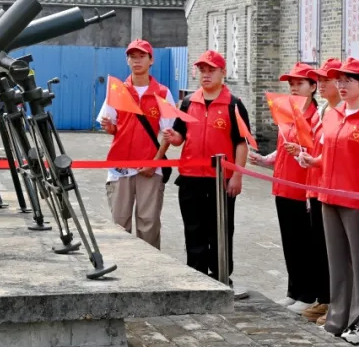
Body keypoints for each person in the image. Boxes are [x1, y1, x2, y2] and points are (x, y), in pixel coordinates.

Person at [303, 58, 359, 346]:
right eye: (338, 80)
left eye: (347, 80)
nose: (340, 85)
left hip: (357, 198)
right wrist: (313, 161)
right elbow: (329, 154)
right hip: (329, 196)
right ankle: (337, 319)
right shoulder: (332, 114)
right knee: (337, 261)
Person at [163, 50, 251, 298]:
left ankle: (221, 276)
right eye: (202, 70)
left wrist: (237, 176)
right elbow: (180, 137)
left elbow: (241, 143)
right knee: (193, 229)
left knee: (220, 229)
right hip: (190, 177)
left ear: (223, 72)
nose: (206, 74)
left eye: (211, 70)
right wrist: (173, 137)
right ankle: (196, 275)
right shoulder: (188, 102)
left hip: (220, 180)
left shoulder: (234, 104)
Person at [249, 62, 321, 313]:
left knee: (304, 243)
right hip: (283, 185)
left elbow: (317, 153)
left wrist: (301, 151)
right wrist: (264, 160)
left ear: (313, 86)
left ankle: (308, 294)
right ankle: (294, 291)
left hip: (304, 188)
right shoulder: (287, 113)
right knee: (290, 241)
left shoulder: (316, 117)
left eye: (300, 83)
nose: (294, 87)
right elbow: (283, 148)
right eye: (291, 84)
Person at [97, 40, 174, 249]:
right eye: (132, 57)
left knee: (148, 224)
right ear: (127, 61)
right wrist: (109, 127)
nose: (137, 61)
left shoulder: (163, 93)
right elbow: (113, 127)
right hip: (120, 166)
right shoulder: (117, 90)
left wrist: (154, 162)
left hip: (149, 168)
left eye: (142, 56)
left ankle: (149, 266)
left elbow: (168, 134)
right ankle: (122, 264)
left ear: (151, 60)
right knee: (119, 224)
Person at [298, 57, 344, 325]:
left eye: (328, 80)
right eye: (320, 80)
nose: (322, 84)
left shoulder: (342, 113)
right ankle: (325, 298)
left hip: (334, 188)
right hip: (317, 185)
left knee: (333, 251)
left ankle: (336, 303)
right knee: (320, 247)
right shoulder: (324, 111)